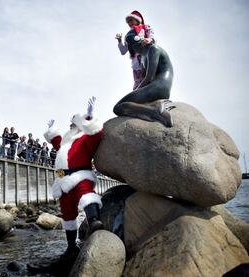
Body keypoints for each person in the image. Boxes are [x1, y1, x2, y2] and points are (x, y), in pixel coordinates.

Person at [37, 97, 104, 270]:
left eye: (74, 124)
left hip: (81, 175)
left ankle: (94, 219)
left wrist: (90, 118)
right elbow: (57, 142)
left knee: (86, 195)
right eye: (71, 124)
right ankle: (71, 245)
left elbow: (96, 134)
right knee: (67, 213)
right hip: (63, 180)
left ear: (81, 125)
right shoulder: (66, 142)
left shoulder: (84, 138)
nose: (71, 126)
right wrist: (52, 131)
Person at [113, 27, 174, 127]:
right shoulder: (143, 58)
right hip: (155, 88)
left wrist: (135, 92)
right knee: (120, 107)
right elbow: (147, 78)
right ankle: (153, 108)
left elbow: (150, 77)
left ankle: (156, 111)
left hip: (160, 87)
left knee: (118, 107)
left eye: (131, 46)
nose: (131, 49)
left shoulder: (153, 49)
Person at [115, 10, 155, 90]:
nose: (130, 23)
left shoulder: (145, 27)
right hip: (136, 65)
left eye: (131, 20)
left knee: (149, 81)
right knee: (137, 87)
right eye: (128, 22)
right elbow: (123, 51)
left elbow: (153, 39)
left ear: (137, 20)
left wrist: (148, 40)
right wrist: (119, 41)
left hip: (146, 58)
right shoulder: (129, 36)